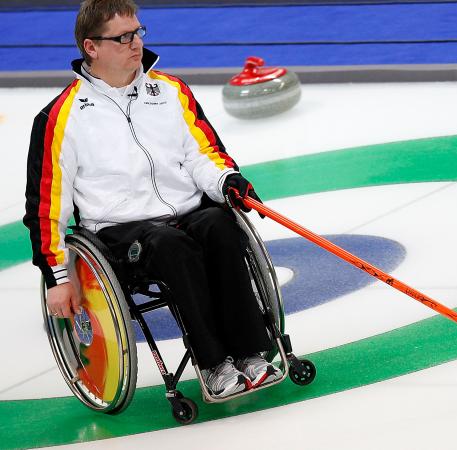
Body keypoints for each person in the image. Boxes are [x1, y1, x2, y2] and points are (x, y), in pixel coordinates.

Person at [23, 0, 279, 399]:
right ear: (91, 47)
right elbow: (46, 205)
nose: (135, 43)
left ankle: (251, 352)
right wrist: (57, 277)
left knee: (221, 225)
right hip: (121, 235)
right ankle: (213, 363)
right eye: (122, 37)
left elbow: (202, 155)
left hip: (187, 213)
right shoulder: (61, 117)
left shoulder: (171, 90)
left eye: (138, 32)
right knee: (170, 245)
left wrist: (227, 179)